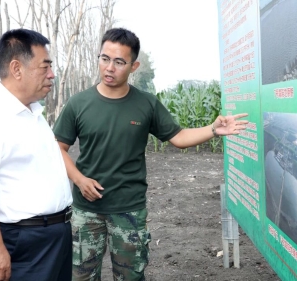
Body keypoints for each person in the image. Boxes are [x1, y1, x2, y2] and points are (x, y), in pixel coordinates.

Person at [53, 27, 248, 280]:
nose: (110, 67)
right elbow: (58, 148)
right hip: (86, 211)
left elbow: (178, 137)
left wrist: (213, 129)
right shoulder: (78, 104)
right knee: (82, 277)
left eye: (119, 62)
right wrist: (79, 180)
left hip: (129, 210)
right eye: (105, 59)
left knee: (130, 276)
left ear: (134, 66)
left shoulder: (146, 104)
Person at [0, 29, 73, 281]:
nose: (51, 74)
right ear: (17, 68)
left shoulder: (33, 112)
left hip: (57, 235)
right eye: (45, 67)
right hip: (26, 242)